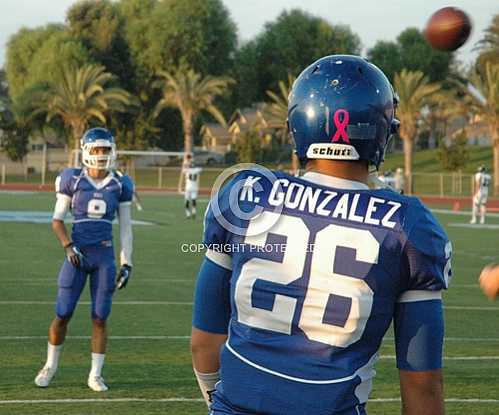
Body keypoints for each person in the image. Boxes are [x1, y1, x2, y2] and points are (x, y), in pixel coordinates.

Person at [191, 55, 451, 415]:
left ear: (299, 124)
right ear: (379, 129)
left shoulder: (246, 193)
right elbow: (422, 384)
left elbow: (204, 343)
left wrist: (218, 403)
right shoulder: (407, 224)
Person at [34, 128, 134, 392]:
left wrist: (127, 262)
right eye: (97, 149)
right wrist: (68, 247)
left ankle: (95, 375)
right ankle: (50, 366)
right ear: (86, 150)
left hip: (104, 256)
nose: (102, 155)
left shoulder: (120, 183)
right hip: (77, 255)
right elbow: (57, 221)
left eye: (106, 150)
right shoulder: (73, 179)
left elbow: (125, 228)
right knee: (62, 314)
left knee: (100, 317)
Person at [182, 153, 202, 219]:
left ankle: (188, 214)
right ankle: (194, 212)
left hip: (188, 187)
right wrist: (191, 161)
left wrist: (186, 162)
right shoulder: (197, 170)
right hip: (195, 187)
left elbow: (184, 169)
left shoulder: (187, 170)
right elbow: (200, 169)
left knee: (187, 201)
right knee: (193, 200)